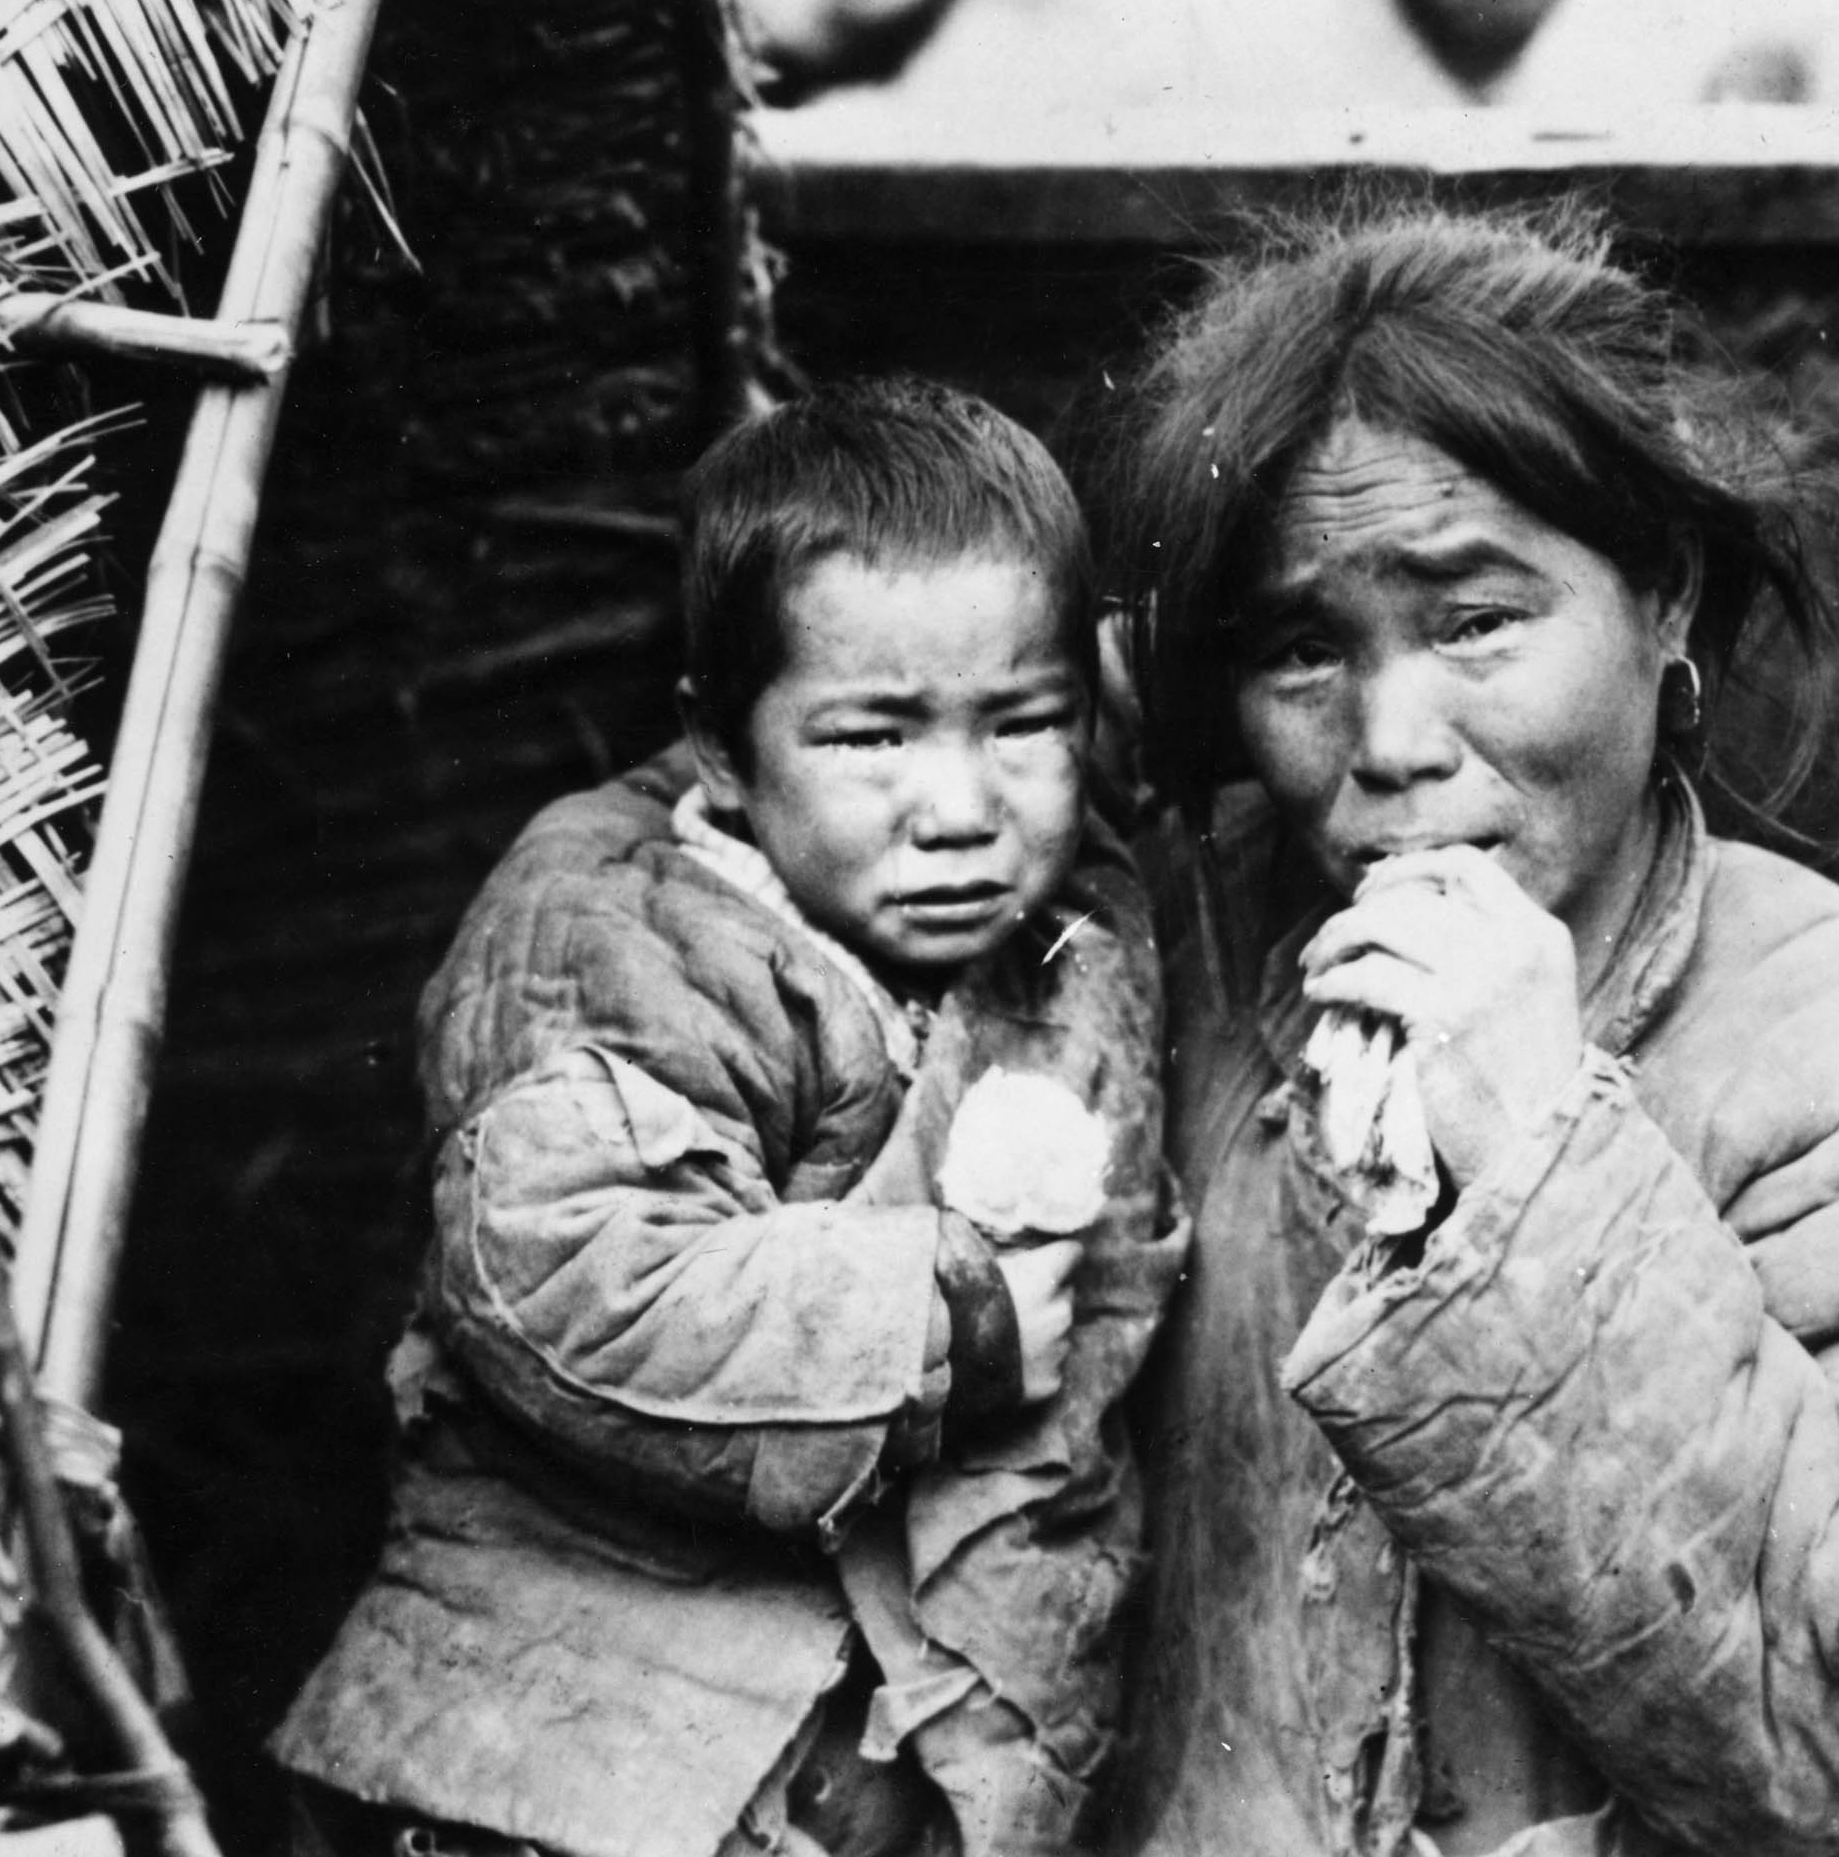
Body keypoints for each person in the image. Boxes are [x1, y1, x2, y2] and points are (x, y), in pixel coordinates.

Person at [1089, 202, 1839, 1857]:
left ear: (1664, 599)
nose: (1393, 739)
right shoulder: (1179, 947)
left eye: (1478, 620)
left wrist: (1544, 1160)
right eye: (1303, 650)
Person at [271, 378, 1187, 1857]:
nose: (961, 806)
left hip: (886, 1767)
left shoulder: (1066, 904)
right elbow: (568, 1276)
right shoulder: (631, 938)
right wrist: (944, 1317)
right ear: (719, 748)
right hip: (595, 1754)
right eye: (873, 740)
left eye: (1023, 723)